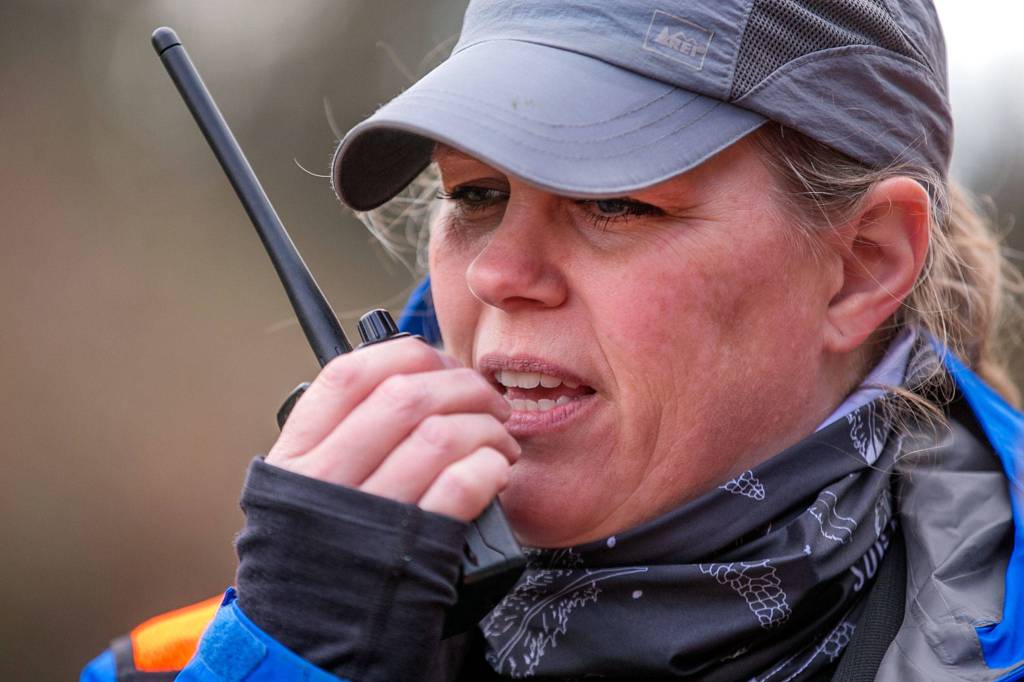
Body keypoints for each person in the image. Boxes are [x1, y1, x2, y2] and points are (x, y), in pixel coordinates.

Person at [83, 1, 1024, 680]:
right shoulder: (192, 660)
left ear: (862, 264)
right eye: (475, 195)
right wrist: (285, 659)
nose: (498, 274)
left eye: (615, 202)